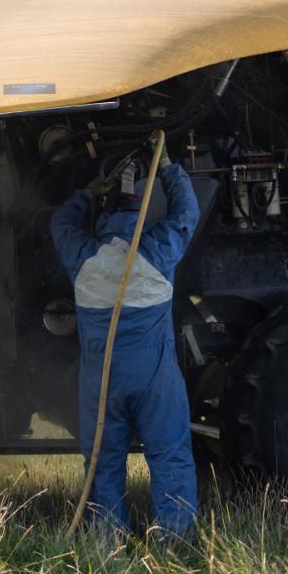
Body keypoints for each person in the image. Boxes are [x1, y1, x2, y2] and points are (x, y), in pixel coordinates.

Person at [50, 152, 201, 538]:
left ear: (101, 219)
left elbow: (61, 221)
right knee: (169, 455)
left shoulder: (82, 258)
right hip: (155, 380)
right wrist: (167, 168)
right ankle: (173, 538)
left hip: (102, 383)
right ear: (140, 217)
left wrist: (87, 191)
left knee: (103, 461)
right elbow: (187, 213)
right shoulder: (157, 251)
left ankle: (108, 540)